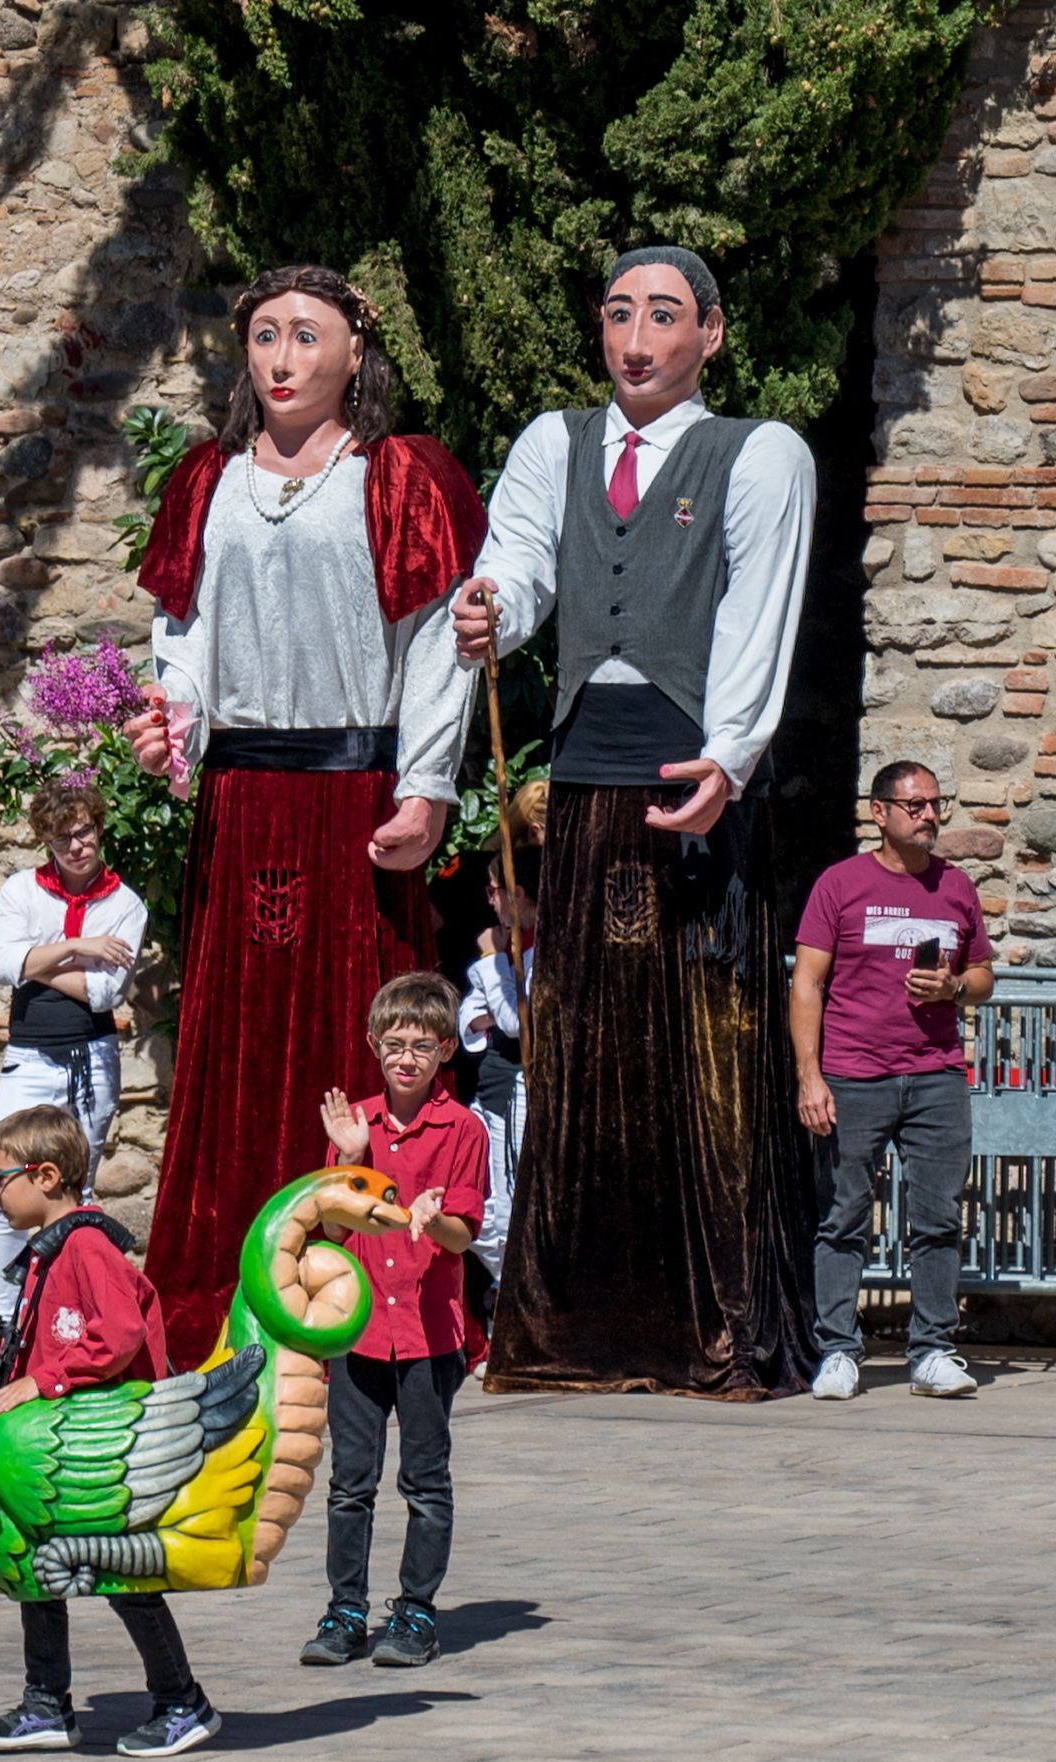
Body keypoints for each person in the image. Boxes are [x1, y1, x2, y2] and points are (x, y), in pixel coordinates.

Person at [453, 246, 820, 1398]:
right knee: (576, 1051)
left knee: (701, 1053)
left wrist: (731, 754)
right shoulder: (550, 444)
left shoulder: (757, 451)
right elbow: (516, 567)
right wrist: (491, 610)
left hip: (695, 770)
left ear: (709, 334)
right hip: (580, 775)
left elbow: (760, 609)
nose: (635, 334)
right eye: (617, 312)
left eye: (662, 314)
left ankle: (714, 1330)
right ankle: (575, 1330)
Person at [127, 263, 485, 1358]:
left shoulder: (396, 477)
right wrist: (168, 723)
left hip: (352, 791)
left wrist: (425, 781)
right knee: (233, 1045)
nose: (282, 359)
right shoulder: (204, 482)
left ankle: (370, 1290)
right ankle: (225, 1278)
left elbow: (434, 640)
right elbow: (183, 638)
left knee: (355, 1028)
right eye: (266, 336)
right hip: (242, 795)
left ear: (354, 356)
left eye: (306, 337)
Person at [0, 1102, 220, 1757]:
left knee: (124, 1579)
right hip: (60, 1447)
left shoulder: (87, 1243)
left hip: (105, 1450)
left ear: (44, 1176)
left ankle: (184, 1702)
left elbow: (121, 1333)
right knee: (38, 1570)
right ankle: (47, 1704)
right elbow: (63, 1341)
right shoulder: (48, 1251)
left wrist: (43, 1383)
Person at [298, 972, 485, 1671]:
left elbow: (467, 1233)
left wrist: (439, 1224)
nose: (406, 1058)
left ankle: (415, 1611)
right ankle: (346, 1610)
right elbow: (327, 1236)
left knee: (425, 1480)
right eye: (393, 1044)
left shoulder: (463, 1128)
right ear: (374, 1044)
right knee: (351, 1480)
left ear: (444, 1050)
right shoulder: (358, 1124)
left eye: (422, 1046)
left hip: (432, 1334)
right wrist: (347, 1157)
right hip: (361, 1332)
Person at [793, 759, 993, 1403]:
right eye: (916, 805)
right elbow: (808, 983)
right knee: (842, 1218)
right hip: (853, 1077)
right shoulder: (840, 883)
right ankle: (838, 1351)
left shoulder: (957, 887)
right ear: (879, 812)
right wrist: (809, 1077)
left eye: (937, 804)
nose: (930, 815)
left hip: (936, 1075)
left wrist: (955, 987)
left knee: (937, 1218)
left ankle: (933, 1351)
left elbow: (984, 977)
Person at [0, 782, 150, 1323]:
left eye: (84, 832)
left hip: (91, 1058)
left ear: (98, 828)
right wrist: (78, 946)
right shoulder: (21, 890)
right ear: (46, 843)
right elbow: (0, 964)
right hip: (30, 1056)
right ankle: (2, 1316)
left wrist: (37, 959)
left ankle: (67, 1309)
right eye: (62, 839)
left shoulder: (125, 904)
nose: (76, 846)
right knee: (9, 1187)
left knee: (78, 1187)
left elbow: (105, 993)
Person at [457, 853, 536, 1298]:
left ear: (516, 895)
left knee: (509, 1203)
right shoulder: (508, 948)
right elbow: (468, 1016)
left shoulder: (529, 949)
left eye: (493, 891)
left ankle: (517, 1300)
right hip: (493, 1089)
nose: (489, 902)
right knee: (482, 1205)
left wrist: (492, 962)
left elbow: (511, 1020)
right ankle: (509, 1292)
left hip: (521, 1090)